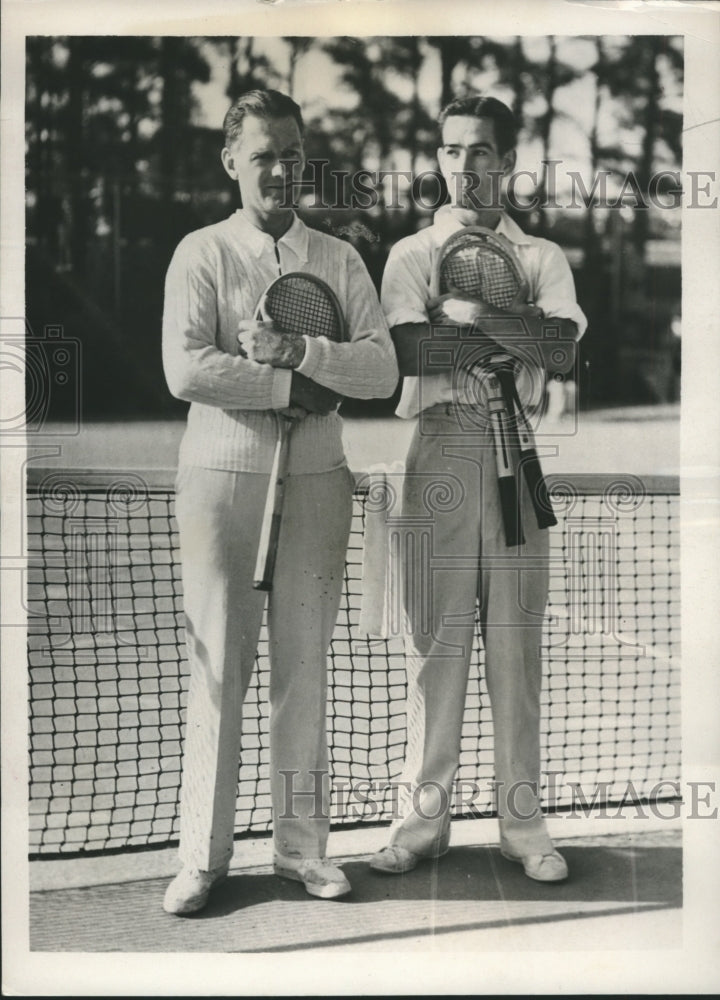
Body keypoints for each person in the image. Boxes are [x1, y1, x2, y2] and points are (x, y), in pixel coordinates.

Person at [161, 89, 398, 914]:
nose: (281, 168)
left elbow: (382, 371)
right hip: (222, 481)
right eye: (263, 153)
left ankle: (304, 853)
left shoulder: (339, 258)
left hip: (320, 481)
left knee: (304, 671)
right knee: (218, 670)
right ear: (231, 160)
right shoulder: (200, 252)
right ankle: (204, 857)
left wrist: (300, 348)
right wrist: (281, 385)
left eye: (293, 152)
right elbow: (186, 369)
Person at [371, 95, 587, 881]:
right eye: (454, 150)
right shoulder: (408, 252)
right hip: (438, 452)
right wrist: (508, 323)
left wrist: (473, 308)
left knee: (516, 651)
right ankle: (420, 827)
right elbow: (410, 350)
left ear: (506, 163)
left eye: (483, 151)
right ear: (439, 159)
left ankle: (523, 829)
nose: (467, 165)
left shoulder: (543, 256)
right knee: (434, 651)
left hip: (515, 451)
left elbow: (560, 352)